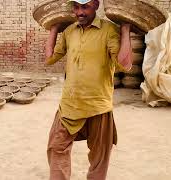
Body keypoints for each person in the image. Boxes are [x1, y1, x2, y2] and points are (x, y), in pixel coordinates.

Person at [45, 0, 132, 179]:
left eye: (85, 6)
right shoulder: (69, 31)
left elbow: (125, 65)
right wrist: (54, 29)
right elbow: (50, 59)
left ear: (96, 5)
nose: (79, 12)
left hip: (98, 105)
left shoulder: (109, 30)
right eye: (76, 7)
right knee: (56, 147)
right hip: (70, 104)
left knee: (100, 156)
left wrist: (125, 30)